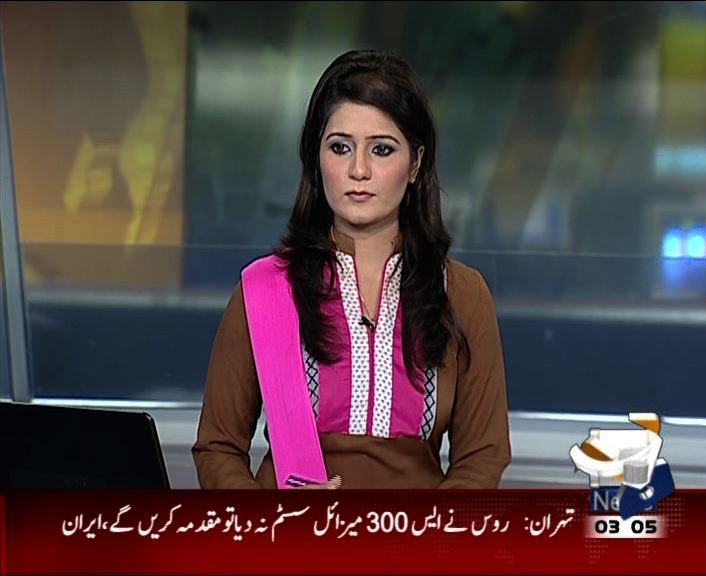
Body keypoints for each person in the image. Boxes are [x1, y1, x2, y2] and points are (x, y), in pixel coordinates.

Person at [192, 49, 511, 489]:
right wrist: (272, 521)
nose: (359, 170)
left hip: (418, 530)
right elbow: (218, 448)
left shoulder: (462, 293)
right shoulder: (265, 289)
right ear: (316, 158)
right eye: (340, 147)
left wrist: (423, 528)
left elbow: (482, 456)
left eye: (382, 150)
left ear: (416, 163)